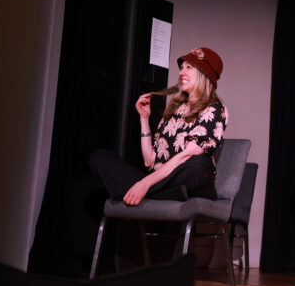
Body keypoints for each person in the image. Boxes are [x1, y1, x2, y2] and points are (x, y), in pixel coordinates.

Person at [89, 47, 228, 205]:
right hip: (164, 183)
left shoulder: (214, 109)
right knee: (99, 158)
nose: (181, 73)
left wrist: (145, 183)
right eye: (182, 68)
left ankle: (150, 192)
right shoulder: (175, 108)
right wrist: (144, 118)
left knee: (200, 163)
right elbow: (150, 161)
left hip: (189, 180)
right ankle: (164, 194)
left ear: (204, 75)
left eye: (189, 67)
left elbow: (187, 156)